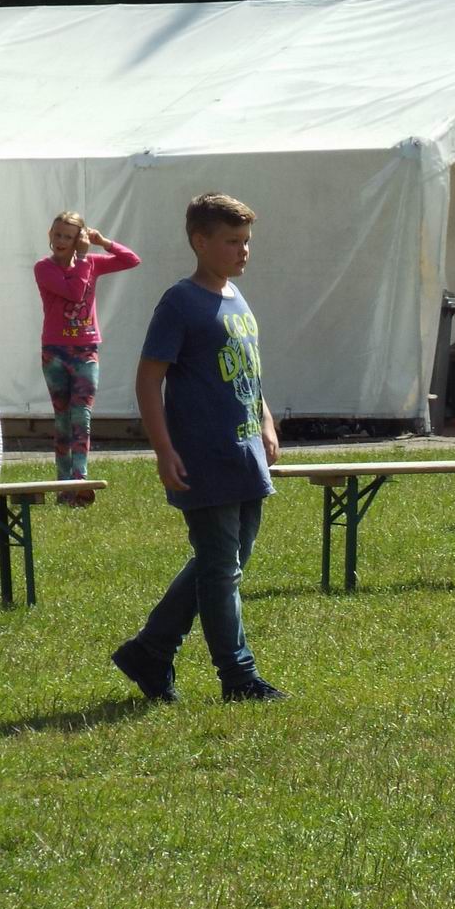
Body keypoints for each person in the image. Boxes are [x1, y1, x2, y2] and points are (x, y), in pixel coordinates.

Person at [112, 193, 285, 704]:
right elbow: (148, 381)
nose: (243, 250)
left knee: (224, 564)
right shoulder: (180, 302)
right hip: (204, 458)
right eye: (232, 241)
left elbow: (247, 370)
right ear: (200, 241)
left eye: (246, 241)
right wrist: (163, 449)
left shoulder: (236, 297)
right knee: (220, 567)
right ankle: (238, 676)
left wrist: (265, 420)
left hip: (244, 454)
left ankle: (150, 651)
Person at [34, 212, 141, 506]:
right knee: (63, 418)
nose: (61, 241)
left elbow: (132, 260)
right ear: (50, 234)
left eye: (68, 237)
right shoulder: (44, 268)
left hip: (85, 350)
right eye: (57, 234)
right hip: (55, 350)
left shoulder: (91, 262)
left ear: (78, 239)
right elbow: (75, 291)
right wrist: (81, 258)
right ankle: (64, 485)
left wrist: (103, 242)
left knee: (81, 414)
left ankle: (80, 479)